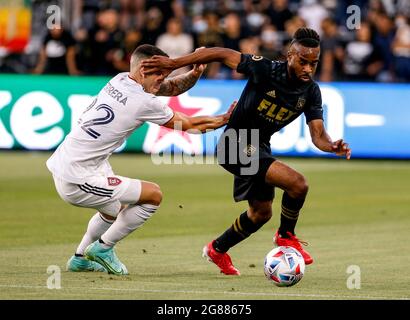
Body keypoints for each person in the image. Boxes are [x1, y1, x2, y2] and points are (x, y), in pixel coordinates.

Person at [142, 28, 351, 275]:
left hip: (259, 146)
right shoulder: (265, 70)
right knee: (298, 184)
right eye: (303, 62)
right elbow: (219, 53)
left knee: (261, 213)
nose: (308, 69)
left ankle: (217, 249)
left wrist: (331, 146)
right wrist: (173, 63)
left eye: (313, 64)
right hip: (234, 144)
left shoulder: (311, 92)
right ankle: (286, 236)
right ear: (290, 55)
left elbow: (318, 136)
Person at [46, 44, 235, 275]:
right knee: (152, 195)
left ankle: (80, 258)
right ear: (144, 71)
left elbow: (172, 87)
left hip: (77, 163)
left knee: (113, 209)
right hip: (77, 176)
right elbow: (190, 125)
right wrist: (225, 118)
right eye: (159, 74)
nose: (162, 81)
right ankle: (104, 249)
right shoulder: (142, 101)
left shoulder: (120, 80)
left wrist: (194, 73)